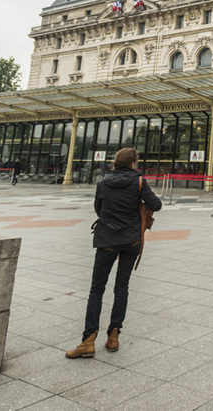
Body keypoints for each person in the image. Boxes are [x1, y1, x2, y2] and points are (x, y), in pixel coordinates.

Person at [66, 147, 162, 359]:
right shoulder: (139, 182)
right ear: (133, 164)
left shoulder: (103, 183)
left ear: (116, 163)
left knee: (96, 290)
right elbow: (156, 204)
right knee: (121, 288)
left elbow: (99, 210)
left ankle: (88, 340)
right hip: (131, 239)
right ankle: (113, 336)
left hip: (107, 239)